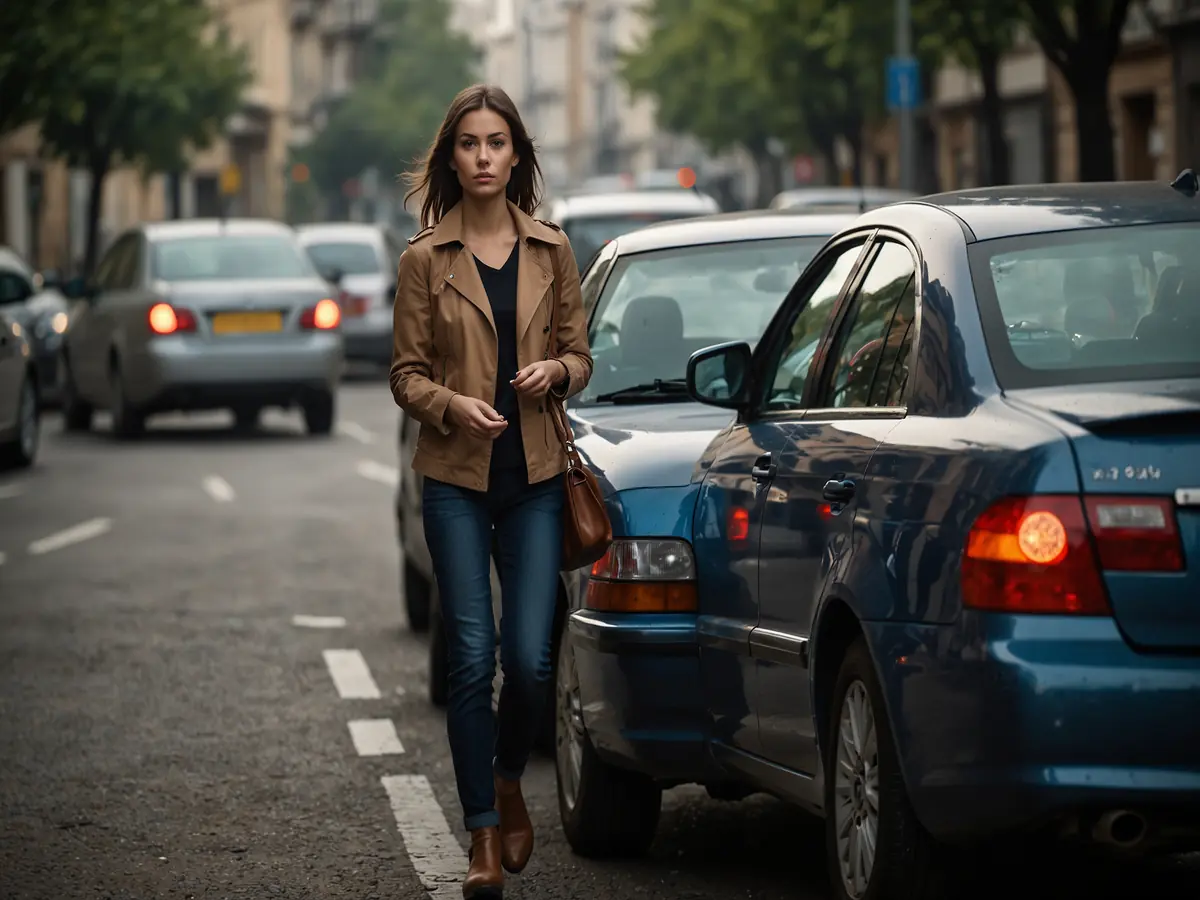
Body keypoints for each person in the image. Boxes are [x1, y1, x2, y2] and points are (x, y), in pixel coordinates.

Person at [389, 83, 592, 899]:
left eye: (496, 143)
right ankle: (480, 830)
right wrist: (450, 405)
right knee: (471, 660)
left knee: (532, 661)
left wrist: (556, 372)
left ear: (516, 156)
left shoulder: (553, 250)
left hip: (538, 479)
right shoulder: (423, 260)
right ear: (452, 157)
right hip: (454, 481)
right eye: (468, 144)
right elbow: (404, 376)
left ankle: (510, 779)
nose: (482, 156)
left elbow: (581, 356)